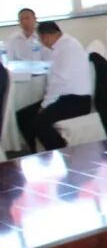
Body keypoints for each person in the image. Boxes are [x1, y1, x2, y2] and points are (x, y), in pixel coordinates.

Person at [15, 21, 92, 151]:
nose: (42, 43)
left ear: (46, 36)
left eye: (41, 39)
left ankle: (63, 152)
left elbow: (58, 82)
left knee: (40, 123)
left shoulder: (67, 48)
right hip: (64, 98)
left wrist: (44, 105)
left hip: (77, 101)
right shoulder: (63, 45)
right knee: (23, 115)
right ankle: (35, 152)